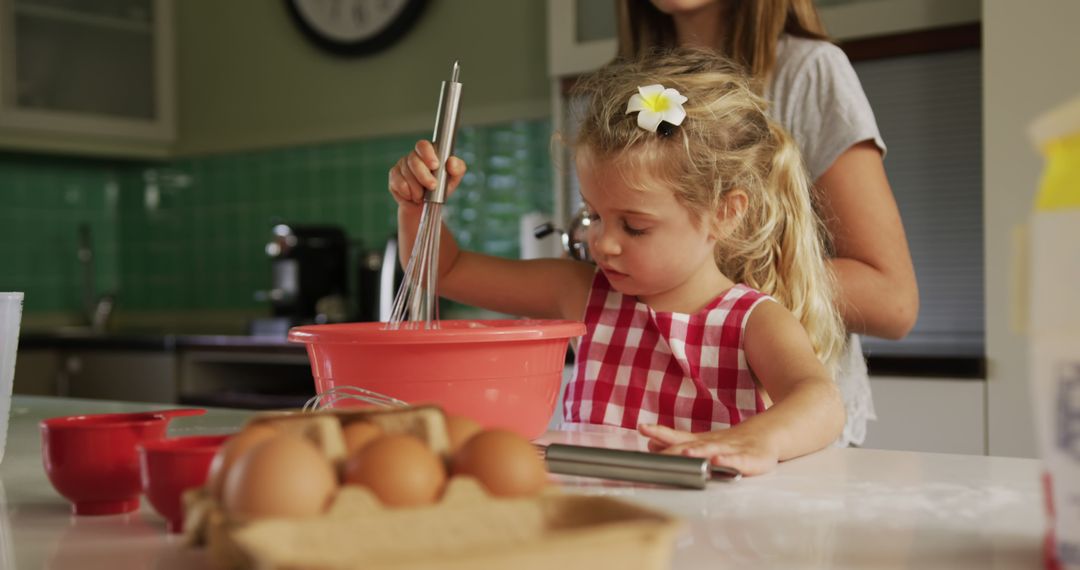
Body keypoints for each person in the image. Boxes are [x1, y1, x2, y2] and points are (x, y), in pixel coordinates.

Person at [389, 49, 846, 476]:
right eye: (594, 215)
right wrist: (417, 207)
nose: (600, 242)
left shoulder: (752, 321)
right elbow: (440, 271)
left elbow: (821, 402)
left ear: (724, 213)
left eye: (634, 226)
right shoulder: (581, 293)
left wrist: (754, 440)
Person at [618, 0, 920, 446]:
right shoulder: (630, 89)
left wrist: (701, 275)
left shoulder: (808, 71)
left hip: (787, 439)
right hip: (652, 424)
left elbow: (893, 301)